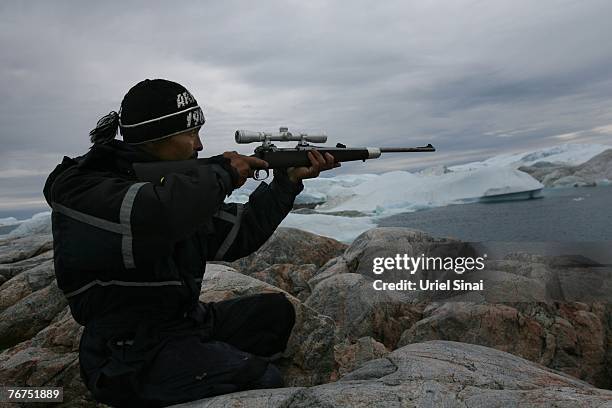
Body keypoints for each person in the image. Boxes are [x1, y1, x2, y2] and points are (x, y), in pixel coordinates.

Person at [43, 79, 338, 407]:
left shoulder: (168, 187)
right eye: (190, 134)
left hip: (181, 323)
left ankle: (202, 362)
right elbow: (158, 213)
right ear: (157, 137)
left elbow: (239, 232)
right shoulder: (82, 188)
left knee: (276, 314)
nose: (199, 146)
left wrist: (286, 182)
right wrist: (221, 175)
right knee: (263, 380)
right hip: (126, 353)